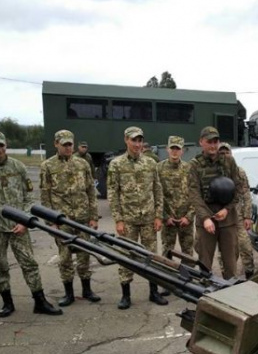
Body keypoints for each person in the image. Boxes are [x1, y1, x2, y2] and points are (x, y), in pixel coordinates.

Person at [0, 131, 62, 317]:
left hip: (19, 226)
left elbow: (29, 197)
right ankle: (7, 303)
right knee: (0, 266)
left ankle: (40, 302)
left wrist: (25, 220)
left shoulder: (18, 166)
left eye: (2, 145)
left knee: (29, 263)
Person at [107, 126, 166, 309]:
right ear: (126, 140)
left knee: (151, 257)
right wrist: (118, 219)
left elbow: (158, 190)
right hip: (128, 220)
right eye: (134, 140)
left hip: (148, 218)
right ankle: (126, 295)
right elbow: (112, 193)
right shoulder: (116, 164)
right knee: (126, 256)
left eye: (140, 140)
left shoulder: (150, 163)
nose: (137, 144)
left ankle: (153, 291)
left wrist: (158, 216)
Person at [40, 129, 101, 307]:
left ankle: (87, 290)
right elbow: (45, 195)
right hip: (62, 220)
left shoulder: (82, 164)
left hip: (82, 218)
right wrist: (50, 222)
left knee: (84, 255)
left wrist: (93, 217)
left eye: (70, 144)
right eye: (64, 144)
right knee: (65, 257)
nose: (68, 147)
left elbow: (91, 191)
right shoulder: (48, 166)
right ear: (56, 144)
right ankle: (68, 293)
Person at [187, 126, 246, 279]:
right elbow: (194, 194)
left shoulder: (229, 161)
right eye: (209, 142)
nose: (213, 145)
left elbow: (238, 188)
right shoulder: (195, 165)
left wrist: (227, 209)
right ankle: (205, 293)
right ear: (201, 142)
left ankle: (230, 294)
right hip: (206, 218)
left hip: (227, 218)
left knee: (230, 263)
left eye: (216, 141)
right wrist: (206, 218)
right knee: (204, 264)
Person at [218, 142, 255, 279]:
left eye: (226, 152)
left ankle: (250, 275)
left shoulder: (239, 172)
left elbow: (246, 194)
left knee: (245, 247)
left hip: (238, 216)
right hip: (222, 217)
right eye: (221, 153)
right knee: (226, 251)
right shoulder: (214, 172)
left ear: (231, 154)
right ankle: (227, 278)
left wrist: (247, 216)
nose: (224, 155)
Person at [157, 136, 194, 259]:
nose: (174, 151)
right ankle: (166, 277)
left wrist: (189, 217)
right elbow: (156, 194)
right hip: (168, 221)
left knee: (188, 254)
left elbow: (195, 194)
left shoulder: (189, 169)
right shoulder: (159, 168)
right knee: (167, 252)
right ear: (167, 149)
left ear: (182, 151)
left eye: (177, 149)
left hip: (186, 221)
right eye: (172, 148)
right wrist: (165, 217)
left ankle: (188, 277)